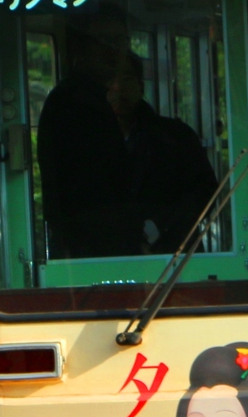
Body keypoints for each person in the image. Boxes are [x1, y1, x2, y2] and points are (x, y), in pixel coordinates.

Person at [38, 13, 217, 259]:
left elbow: (204, 193)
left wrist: (158, 226)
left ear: (142, 86)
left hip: (171, 259)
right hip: (98, 258)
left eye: (128, 78)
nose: (118, 87)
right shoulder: (72, 118)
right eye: (111, 80)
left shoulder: (174, 137)